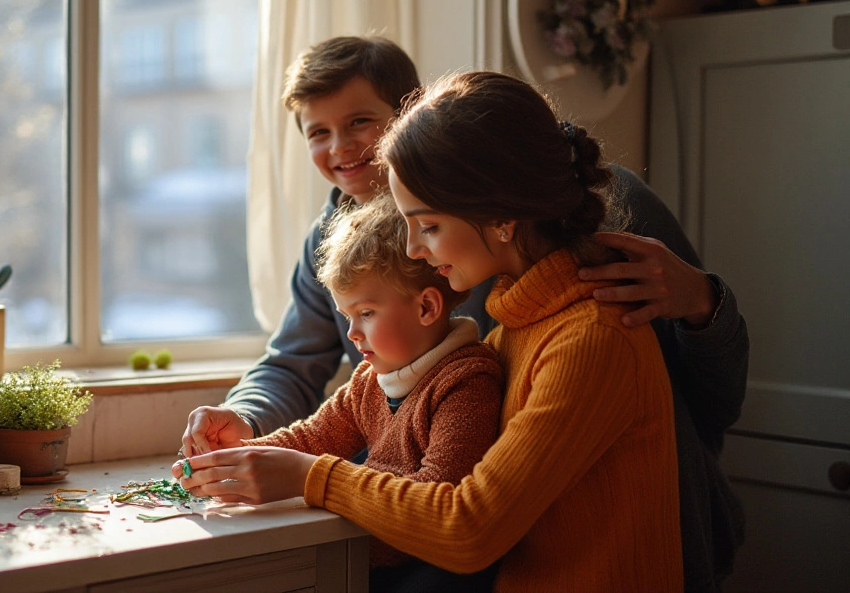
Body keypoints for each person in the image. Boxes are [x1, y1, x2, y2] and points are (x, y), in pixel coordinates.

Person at [181, 37, 747, 593]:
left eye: (359, 122)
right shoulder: (502, 321)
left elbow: (704, 401)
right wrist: (246, 432)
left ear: (410, 112)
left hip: (641, 531)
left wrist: (701, 302)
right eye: (318, 132)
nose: (412, 249)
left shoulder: (587, 284)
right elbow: (312, 377)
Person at [242, 192, 502, 589]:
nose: (352, 334)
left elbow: (437, 506)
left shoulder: (466, 383)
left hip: (430, 577)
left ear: (427, 308)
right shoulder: (368, 380)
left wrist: (324, 481)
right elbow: (311, 439)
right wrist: (239, 451)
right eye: (347, 316)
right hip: (367, 564)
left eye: (365, 313)